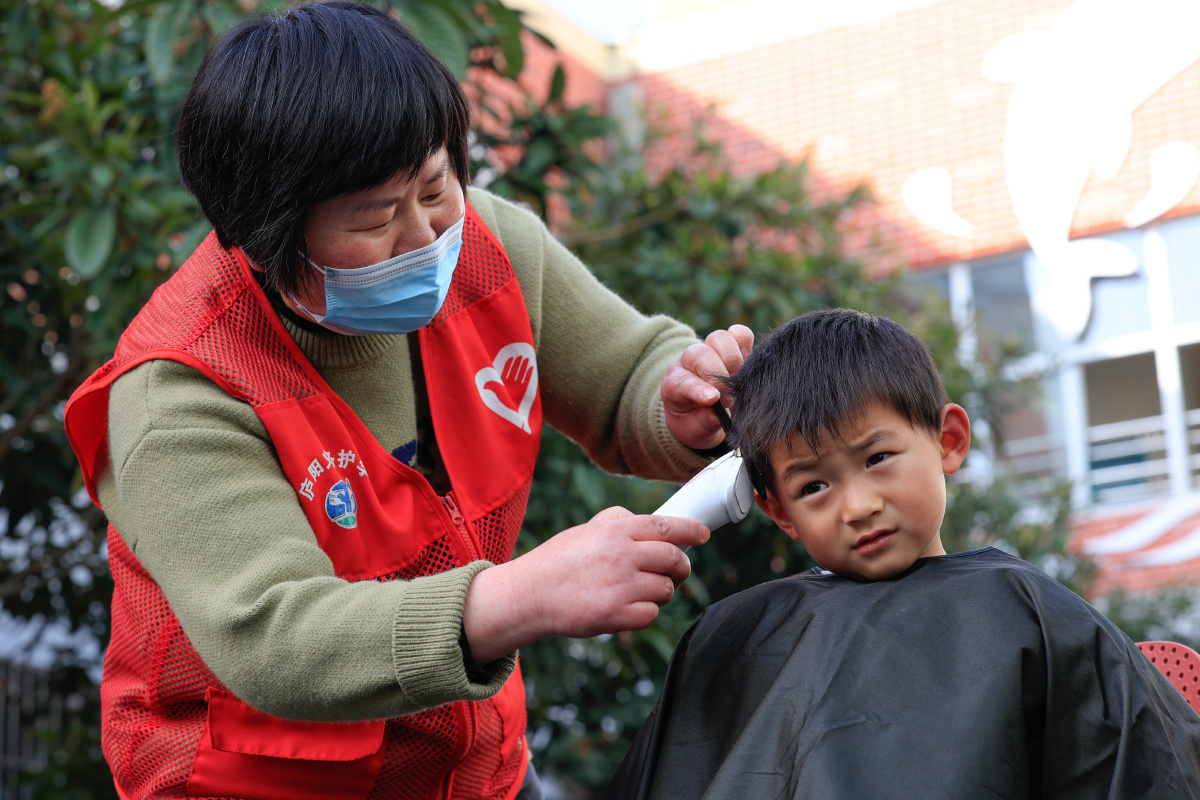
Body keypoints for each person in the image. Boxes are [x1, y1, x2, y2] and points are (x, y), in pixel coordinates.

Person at [62, 4, 753, 799]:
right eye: (376, 218)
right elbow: (275, 637)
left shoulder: (489, 249)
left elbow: (627, 374)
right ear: (267, 232)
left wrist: (681, 403)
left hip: (472, 770)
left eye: (435, 187)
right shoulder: (182, 388)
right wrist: (517, 597)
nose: (426, 239)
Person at [607, 309, 1200, 799]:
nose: (858, 506)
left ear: (949, 441)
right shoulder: (735, 638)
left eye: (877, 459)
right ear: (779, 510)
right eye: (814, 486)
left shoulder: (1027, 612)